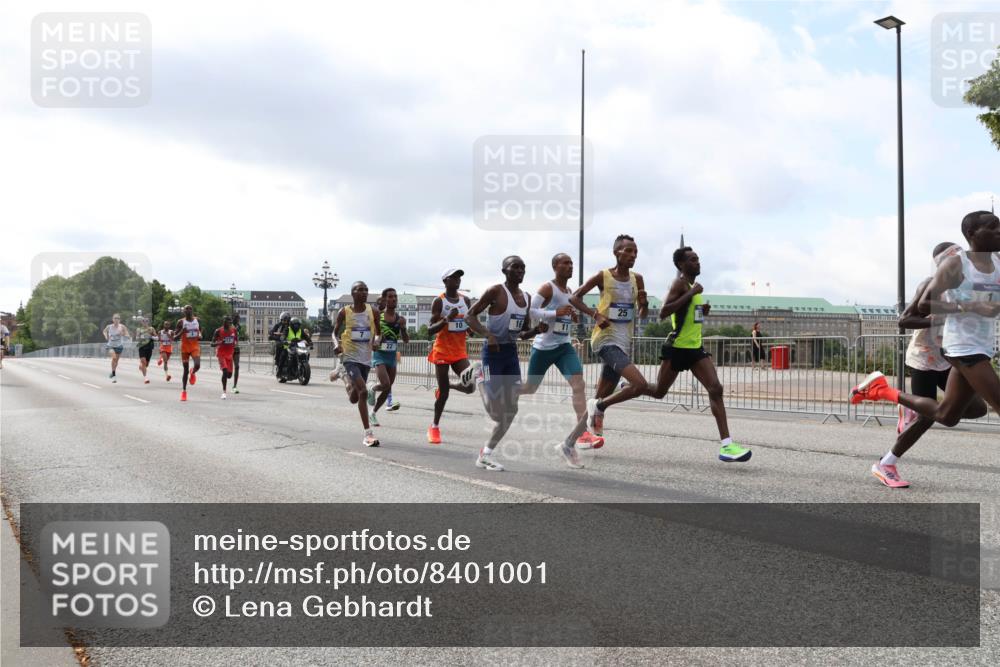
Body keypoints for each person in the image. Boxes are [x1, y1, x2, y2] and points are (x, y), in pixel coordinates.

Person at [853, 211, 1000, 487]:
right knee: (926, 418)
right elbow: (911, 316)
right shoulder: (949, 271)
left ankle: (884, 393)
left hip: (962, 352)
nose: (999, 231)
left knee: (949, 415)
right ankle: (887, 460)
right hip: (937, 355)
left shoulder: (994, 263)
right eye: (993, 227)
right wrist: (964, 310)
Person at [581, 246, 752, 463]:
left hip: (695, 348)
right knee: (658, 391)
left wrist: (701, 311)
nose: (698, 262)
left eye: (698, 259)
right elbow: (664, 311)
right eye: (692, 259)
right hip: (677, 348)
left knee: (715, 388)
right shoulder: (679, 284)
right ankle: (602, 403)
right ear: (681, 264)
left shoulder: (692, 287)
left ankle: (727, 446)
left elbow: (686, 314)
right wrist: (691, 293)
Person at [559, 234, 649, 447]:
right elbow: (574, 297)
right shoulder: (603, 276)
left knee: (601, 395)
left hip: (623, 342)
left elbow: (642, 314)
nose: (633, 255)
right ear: (616, 252)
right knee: (640, 384)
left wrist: (644, 305)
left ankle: (569, 442)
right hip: (605, 340)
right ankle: (599, 407)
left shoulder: (638, 279)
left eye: (635, 252)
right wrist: (595, 315)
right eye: (628, 251)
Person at [464, 256, 552, 470]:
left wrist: (536, 330)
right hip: (492, 353)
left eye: (523, 267)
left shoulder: (527, 298)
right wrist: (488, 334)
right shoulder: (495, 291)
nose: (520, 271)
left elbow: (522, 333)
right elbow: (469, 316)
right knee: (496, 412)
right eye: (515, 267)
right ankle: (479, 376)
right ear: (504, 270)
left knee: (511, 410)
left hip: (510, 353)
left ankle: (486, 454)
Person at [522, 252, 604, 451]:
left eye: (571, 263)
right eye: (565, 263)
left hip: (564, 347)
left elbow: (562, 315)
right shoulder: (547, 288)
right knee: (530, 388)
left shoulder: (569, 291)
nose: (570, 266)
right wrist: (555, 313)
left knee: (579, 385)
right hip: (544, 348)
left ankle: (582, 434)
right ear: (555, 267)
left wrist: (571, 317)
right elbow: (531, 311)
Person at [426, 269, 479, 445]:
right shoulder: (439, 301)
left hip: (459, 352)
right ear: (445, 281)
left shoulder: (465, 300)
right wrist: (447, 318)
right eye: (453, 277)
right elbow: (430, 330)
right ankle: (434, 427)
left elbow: (467, 321)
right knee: (444, 395)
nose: (457, 280)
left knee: (470, 386)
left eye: (459, 277)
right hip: (442, 351)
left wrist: (470, 329)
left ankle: (447, 385)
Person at [329, 281, 380, 447]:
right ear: (353, 293)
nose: (364, 292)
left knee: (354, 397)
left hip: (365, 358)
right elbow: (334, 333)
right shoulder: (344, 311)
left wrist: (377, 341)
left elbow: (379, 333)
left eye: (366, 290)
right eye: (360, 290)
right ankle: (368, 434)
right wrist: (336, 344)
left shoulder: (373, 311)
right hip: (350, 356)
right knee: (364, 391)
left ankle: (343, 377)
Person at [367, 288, 410, 427]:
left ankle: (373, 413)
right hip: (380, 355)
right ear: (385, 300)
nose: (394, 299)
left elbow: (406, 340)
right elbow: (372, 337)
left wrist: (403, 328)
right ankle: (372, 388)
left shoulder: (400, 319)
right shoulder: (378, 317)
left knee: (387, 388)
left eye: (395, 296)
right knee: (385, 384)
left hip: (392, 356)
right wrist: (374, 344)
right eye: (390, 296)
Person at [172, 305, 202, 402]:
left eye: (190, 309)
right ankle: (184, 392)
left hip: (194, 347)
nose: (188, 310)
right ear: (184, 311)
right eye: (186, 309)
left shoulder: (197, 320)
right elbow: (174, 338)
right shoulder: (180, 322)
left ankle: (192, 372)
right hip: (185, 348)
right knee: (185, 370)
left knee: (197, 365)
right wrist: (182, 332)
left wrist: (200, 334)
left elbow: (200, 330)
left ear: (192, 310)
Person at [211, 315, 238, 399]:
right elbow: (212, 344)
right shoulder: (218, 331)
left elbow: (236, 340)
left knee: (229, 375)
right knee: (225, 371)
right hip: (221, 354)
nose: (229, 322)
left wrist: (235, 344)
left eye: (230, 321)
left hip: (230, 354)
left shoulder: (234, 330)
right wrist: (219, 343)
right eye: (227, 321)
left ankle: (224, 378)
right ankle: (224, 392)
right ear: (224, 321)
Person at [282, 317, 313, 381]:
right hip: (289, 346)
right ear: (292, 324)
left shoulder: (300, 330)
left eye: (298, 324)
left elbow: (306, 337)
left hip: (298, 346)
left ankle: (304, 370)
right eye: (295, 324)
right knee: (291, 357)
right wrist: (284, 340)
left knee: (305, 354)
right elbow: (283, 336)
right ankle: (288, 373)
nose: (297, 326)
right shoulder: (287, 329)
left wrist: (310, 342)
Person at [103, 314, 129, 383]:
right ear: (113, 319)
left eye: (118, 318)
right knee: (114, 358)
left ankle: (113, 372)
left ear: (119, 320)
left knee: (116, 361)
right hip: (110, 345)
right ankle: (114, 376)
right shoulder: (109, 326)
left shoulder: (122, 326)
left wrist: (122, 334)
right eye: (115, 318)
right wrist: (106, 336)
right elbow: (104, 331)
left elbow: (127, 335)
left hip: (119, 346)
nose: (116, 319)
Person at [134, 317, 156, 385]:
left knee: (146, 364)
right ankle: (146, 378)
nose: (145, 322)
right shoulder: (139, 329)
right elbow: (137, 337)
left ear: (148, 322)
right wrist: (143, 337)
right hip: (142, 347)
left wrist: (151, 337)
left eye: (146, 321)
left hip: (149, 347)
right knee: (144, 362)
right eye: (144, 321)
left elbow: (156, 337)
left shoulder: (151, 329)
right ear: (142, 322)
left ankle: (141, 366)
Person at [269, 312, 291, 379]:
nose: (286, 321)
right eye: (285, 320)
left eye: (287, 320)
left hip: (291, 343)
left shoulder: (291, 326)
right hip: (281, 343)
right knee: (283, 354)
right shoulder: (278, 325)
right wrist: (276, 337)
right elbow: (271, 333)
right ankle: (279, 371)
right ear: (281, 319)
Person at [231, 313, 242, 394]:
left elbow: (237, 337)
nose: (238, 320)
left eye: (238, 319)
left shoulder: (239, 327)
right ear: (233, 319)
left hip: (236, 348)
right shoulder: (229, 326)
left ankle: (234, 386)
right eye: (236, 318)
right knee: (228, 371)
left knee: (237, 366)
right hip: (228, 349)